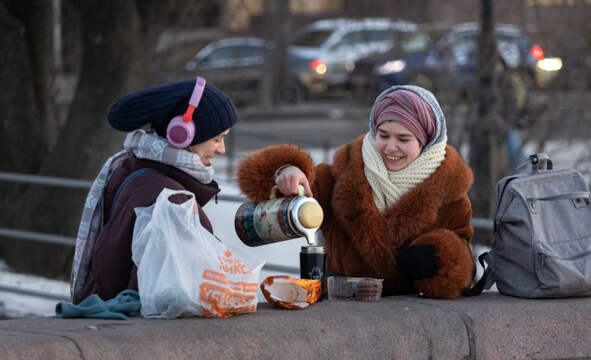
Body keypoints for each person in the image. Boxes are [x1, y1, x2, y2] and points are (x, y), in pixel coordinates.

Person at [237, 85, 475, 298]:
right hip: (338, 313)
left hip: (409, 321)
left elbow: (466, 266)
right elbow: (258, 184)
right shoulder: (338, 175)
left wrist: (438, 258)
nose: (391, 147)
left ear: (426, 141)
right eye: (383, 135)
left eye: (404, 139)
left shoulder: (451, 196)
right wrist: (285, 170)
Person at [70, 78, 237, 303]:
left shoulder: (132, 166)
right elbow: (160, 299)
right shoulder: (166, 199)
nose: (222, 149)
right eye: (217, 139)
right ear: (182, 134)